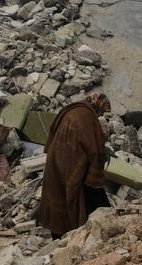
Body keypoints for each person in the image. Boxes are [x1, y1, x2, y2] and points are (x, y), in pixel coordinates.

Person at [37, 93, 111, 238]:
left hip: (58, 163)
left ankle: (60, 238)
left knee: (59, 195)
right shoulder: (86, 116)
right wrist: (96, 174)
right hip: (73, 165)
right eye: (102, 111)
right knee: (83, 199)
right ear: (97, 105)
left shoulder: (72, 111)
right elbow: (94, 150)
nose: (101, 115)